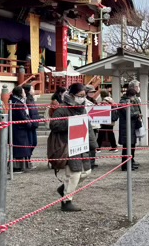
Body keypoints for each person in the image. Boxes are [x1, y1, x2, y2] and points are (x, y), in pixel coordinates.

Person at [47, 83, 96, 212]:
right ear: (72, 95)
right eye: (80, 96)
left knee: (86, 172)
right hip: (67, 145)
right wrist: (70, 121)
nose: (82, 98)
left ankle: (64, 189)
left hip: (81, 144)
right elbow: (54, 125)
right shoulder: (62, 109)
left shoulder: (82, 108)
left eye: (84, 96)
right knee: (74, 173)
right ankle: (67, 201)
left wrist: (93, 144)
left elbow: (88, 127)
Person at [113, 81, 142, 171]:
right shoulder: (123, 102)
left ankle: (131, 162)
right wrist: (137, 115)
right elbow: (129, 113)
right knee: (126, 147)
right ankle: (125, 165)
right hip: (126, 127)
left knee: (132, 146)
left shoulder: (132, 100)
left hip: (132, 126)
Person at [9, 86, 31, 173]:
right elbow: (21, 116)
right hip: (19, 128)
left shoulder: (17, 101)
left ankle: (20, 166)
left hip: (19, 128)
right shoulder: (17, 103)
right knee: (19, 148)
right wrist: (29, 123)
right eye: (23, 92)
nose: (25, 93)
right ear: (20, 93)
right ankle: (16, 167)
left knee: (20, 148)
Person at [22, 84, 40, 170]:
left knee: (34, 143)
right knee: (30, 143)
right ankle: (27, 161)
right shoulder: (26, 101)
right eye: (32, 88)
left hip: (34, 124)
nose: (33, 90)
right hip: (29, 125)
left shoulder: (32, 100)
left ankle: (28, 160)